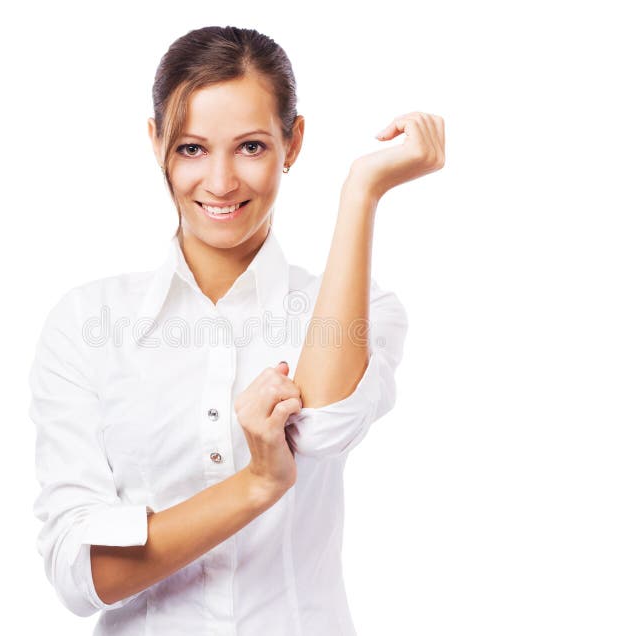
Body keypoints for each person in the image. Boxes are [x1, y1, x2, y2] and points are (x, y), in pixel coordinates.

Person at [29, 25, 445, 636]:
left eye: (250, 147)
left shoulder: (358, 307)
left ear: (293, 142)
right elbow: (81, 573)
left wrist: (362, 191)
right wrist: (256, 484)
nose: (221, 183)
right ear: (156, 143)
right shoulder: (88, 324)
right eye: (192, 149)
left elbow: (327, 427)